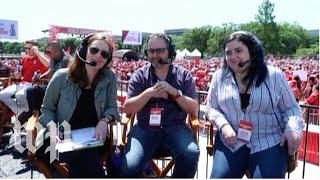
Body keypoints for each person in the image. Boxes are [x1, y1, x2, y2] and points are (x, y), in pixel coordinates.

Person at [206, 31, 304, 178]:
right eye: (228, 53)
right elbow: (211, 107)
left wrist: (293, 129)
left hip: (269, 141)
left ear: (253, 51)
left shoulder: (275, 75)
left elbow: (291, 108)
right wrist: (223, 125)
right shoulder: (219, 77)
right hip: (231, 141)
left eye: (238, 51)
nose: (232, 57)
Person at [36, 33, 120, 177]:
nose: (99, 56)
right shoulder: (62, 77)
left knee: (85, 157)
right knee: (87, 160)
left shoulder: (110, 78)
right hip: (60, 137)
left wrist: (104, 121)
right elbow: (47, 109)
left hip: (94, 139)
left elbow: (112, 108)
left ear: (107, 59)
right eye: (94, 50)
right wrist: (53, 128)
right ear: (83, 50)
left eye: (104, 54)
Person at [120, 33, 200, 178]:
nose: (155, 55)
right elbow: (128, 108)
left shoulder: (184, 75)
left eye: (160, 50)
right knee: (129, 168)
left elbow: (194, 108)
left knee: (191, 154)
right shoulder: (139, 75)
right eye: (151, 51)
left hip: (176, 128)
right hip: (145, 128)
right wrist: (149, 93)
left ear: (170, 51)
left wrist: (174, 92)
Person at [20, 41, 71, 123]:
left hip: (63, 89)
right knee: (31, 91)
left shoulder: (68, 60)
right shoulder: (53, 59)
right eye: (46, 52)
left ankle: (40, 117)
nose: (47, 54)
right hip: (52, 87)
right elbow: (50, 71)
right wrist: (39, 77)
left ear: (57, 51)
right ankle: (34, 115)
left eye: (49, 52)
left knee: (37, 92)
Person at [0, 40, 49, 116]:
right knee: (2, 95)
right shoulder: (25, 58)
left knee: (19, 95)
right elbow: (21, 74)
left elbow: (48, 64)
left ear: (35, 48)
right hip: (21, 83)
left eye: (30, 48)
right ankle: (21, 113)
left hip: (33, 84)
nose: (27, 50)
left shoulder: (41, 57)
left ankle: (25, 114)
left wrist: (37, 52)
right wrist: (17, 75)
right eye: (26, 48)